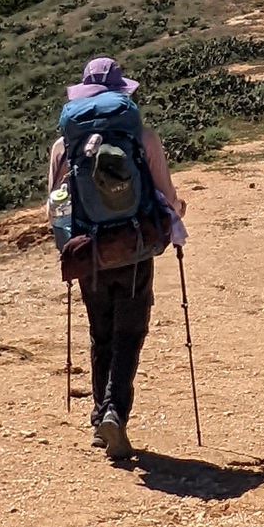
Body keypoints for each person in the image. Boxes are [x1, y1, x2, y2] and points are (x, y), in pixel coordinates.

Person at [48, 55, 184, 466]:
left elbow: (55, 206)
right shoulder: (142, 136)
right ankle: (114, 412)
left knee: (101, 332)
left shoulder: (63, 146)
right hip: (134, 246)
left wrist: (67, 247)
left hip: (89, 252)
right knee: (130, 331)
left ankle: (97, 420)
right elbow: (166, 195)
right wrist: (178, 212)